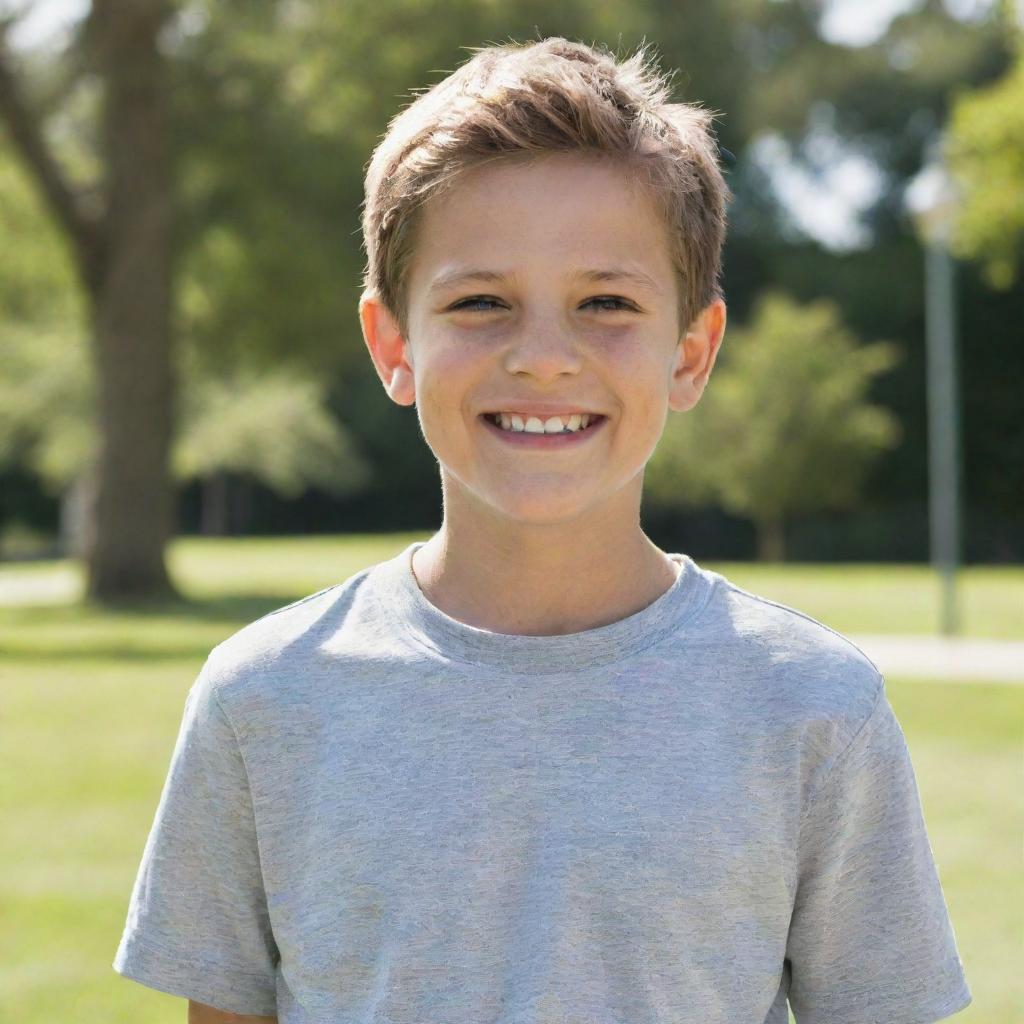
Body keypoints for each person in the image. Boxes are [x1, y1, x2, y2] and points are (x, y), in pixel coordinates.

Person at [112, 36, 972, 1024]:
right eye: (481, 302)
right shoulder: (263, 700)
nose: (544, 357)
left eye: (604, 302)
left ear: (690, 353)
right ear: (393, 345)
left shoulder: (813, 708)